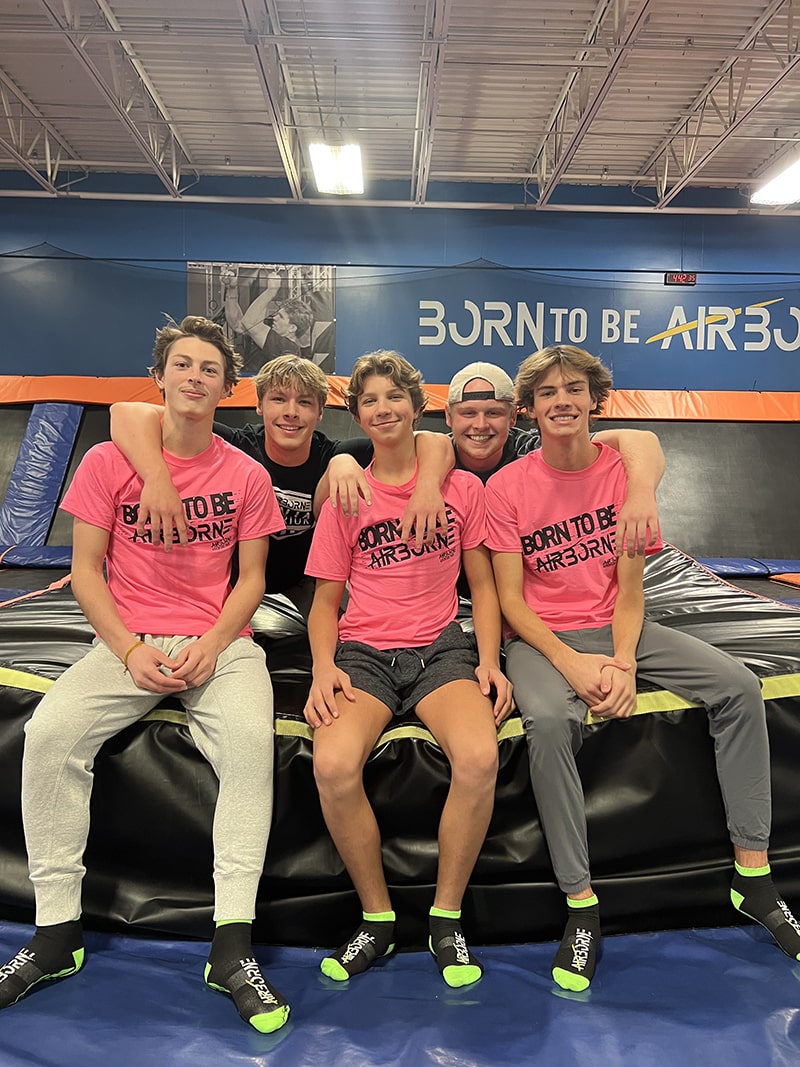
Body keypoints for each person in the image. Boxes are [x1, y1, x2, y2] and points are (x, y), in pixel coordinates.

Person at [0, 316, 291, 1034]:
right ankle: (56, 931)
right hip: (127, 642)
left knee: (253, 746)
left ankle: (231, 945)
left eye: (209, 368)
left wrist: (215, 641)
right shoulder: (108, 461)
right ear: (158, 377)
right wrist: (129, 649)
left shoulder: (247, 474)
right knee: (50, 735)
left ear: (228, 387)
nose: (195, 377)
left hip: (218, 642)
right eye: (182, 365)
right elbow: (86, 571)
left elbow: (251, 579)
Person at [485, 343, 800, 992]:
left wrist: (623, 662)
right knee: (546, 725)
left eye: (574, 389)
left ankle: (754, 875)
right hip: (544, 637)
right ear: (531, 409)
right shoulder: (508, 486)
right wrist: (574, 664)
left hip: (620, 624)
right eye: (548, 393)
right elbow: (513, 600)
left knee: (739, 686)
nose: (562, 401)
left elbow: (630, 592)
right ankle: (580, 903)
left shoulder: (624, 474)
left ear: (595, 400)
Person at [303, 350, 514, 989]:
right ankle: (378, 917)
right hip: (363, 651)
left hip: (439, 650)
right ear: (358, 415)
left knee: (479, 759)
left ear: (417, 407)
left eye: (395, 397)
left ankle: (445, 918)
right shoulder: (347, 490)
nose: (383, 409)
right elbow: (323, 602)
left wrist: (488, 661)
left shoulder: (461, 487)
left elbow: (482, 582)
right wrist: (320, 668)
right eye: (369, 400)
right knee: (334, 766)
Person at [110, 356, 454, 619]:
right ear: (259, 406)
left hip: (302, 578)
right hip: (232, 577)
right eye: (278, 400)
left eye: (304, 402)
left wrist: (426, 485)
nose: (291, 413)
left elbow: (435, 441)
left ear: (320, 412)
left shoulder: (337, 455)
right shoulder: (237, 447)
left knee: (346, 631)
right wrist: (156, 477)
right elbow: (124, 412)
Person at [222, 267, 314, 372]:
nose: (274, 317)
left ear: (292, 328)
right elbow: (236, 324)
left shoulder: (288, 348)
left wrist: (271, 291)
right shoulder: (271, 334)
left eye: (281, 316)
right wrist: (231, 289)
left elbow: (248, 322)